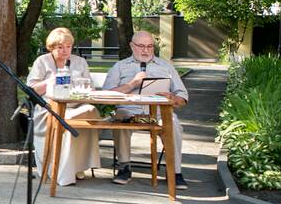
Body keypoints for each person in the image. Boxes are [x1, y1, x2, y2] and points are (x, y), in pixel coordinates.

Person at [103, 30, 189, 189]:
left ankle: (175, 172)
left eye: (150, 46)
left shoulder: (166, 67)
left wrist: (172, 98)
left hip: (157, 115)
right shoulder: (120, 67)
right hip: (130, 113)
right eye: (141, 46)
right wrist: (132, 84)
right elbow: (106, 95)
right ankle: (124, 167)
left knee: (174, 123)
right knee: (120, 117)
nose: (146, 50)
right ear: (131, 46)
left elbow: (183, 97)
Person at [26, 27, 100, 188]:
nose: (65, 50)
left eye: (68, 46)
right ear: (52, 47)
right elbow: (31, 90)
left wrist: (83, 89)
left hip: (76, 104)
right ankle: (61, 171)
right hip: (48, 108)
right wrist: (50, 81)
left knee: (91, 111)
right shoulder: (42, 61)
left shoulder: (80, 62)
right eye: (60, 47)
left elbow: (90, 88)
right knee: (67, 120)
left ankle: (77, 166)